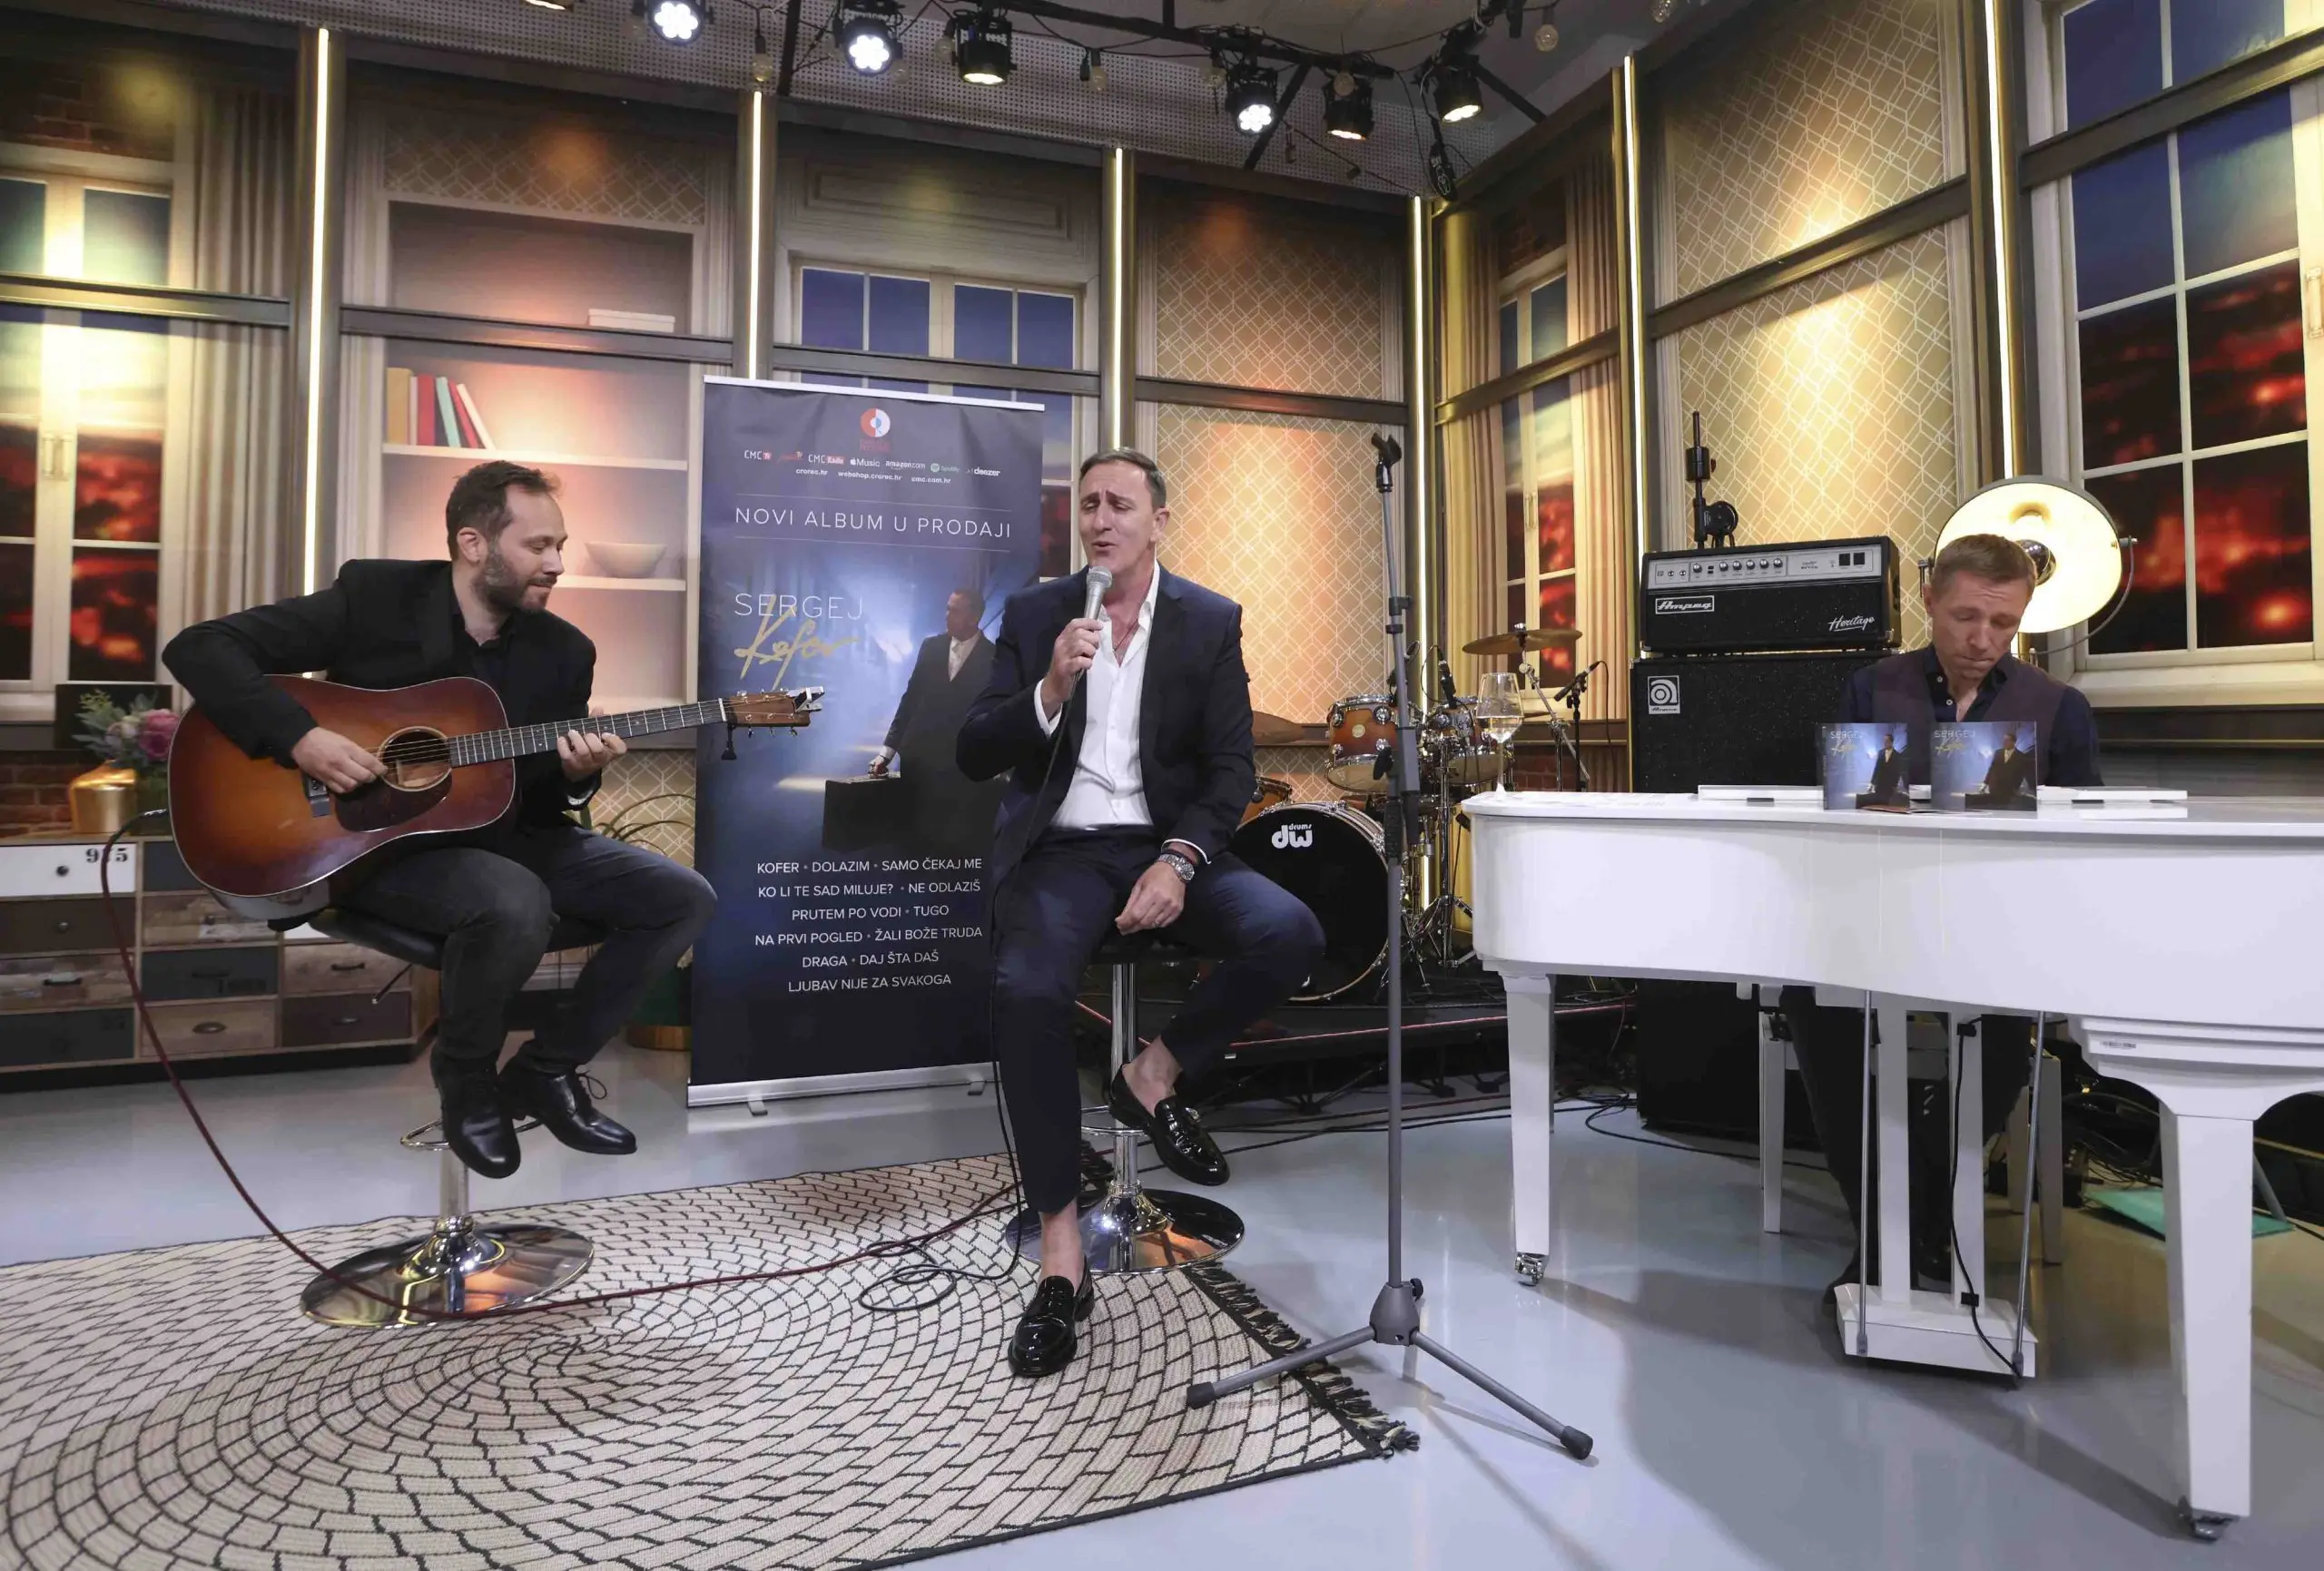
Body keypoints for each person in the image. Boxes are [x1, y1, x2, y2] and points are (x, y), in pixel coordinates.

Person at [164, 461, 715, 1179]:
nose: (556, 564)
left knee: (682, 896)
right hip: (375, 846)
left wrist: (579, 774)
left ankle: (546, 1069)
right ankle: (467, 1078)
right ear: (473, 543)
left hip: (509, 835)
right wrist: (301, 737)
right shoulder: (379, 598)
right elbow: (200, 646)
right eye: (538, 546)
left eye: (559, 545)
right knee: (514, 900)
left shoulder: (565, 650)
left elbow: (539, 795)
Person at [959, 447, 1324, 1380]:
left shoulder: (1209, 620)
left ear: (1159, 521)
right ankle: (1061, 1257)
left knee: (1289, 930)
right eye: (1088, 505)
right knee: (1027, 991)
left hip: (1169, 846)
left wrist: (1180, 858)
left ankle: (1153, 1073)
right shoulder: (1038, 614)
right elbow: (972, 749)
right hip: (1064, 852)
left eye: (1120, 505)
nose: (1100, 520)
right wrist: (1048, 689)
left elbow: (1231, 769)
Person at [1782, 533, 2101, 1310]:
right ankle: (1894, 1224)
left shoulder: (2060, 708)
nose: (1984, 640)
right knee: (1810, 1003)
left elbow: (2087, 845)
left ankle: (1903, 1218)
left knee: (2004, 1038)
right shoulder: (1872, 688)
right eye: (1965, 618)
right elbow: (1845, 829)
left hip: (2000, 935)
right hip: (1880, 920)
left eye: (2004, 623)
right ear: (1929, 600)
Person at [870, 587, 1002, 852]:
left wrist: (997, 760)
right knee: (911, 841)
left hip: (960, 766)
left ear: (974, 617)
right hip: (918, 759)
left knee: (953, 844)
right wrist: (887, 751)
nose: (946, 616)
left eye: (954, 611)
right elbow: (910, 698)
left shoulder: (995, 657)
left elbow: (997, 712)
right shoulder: (931, 647)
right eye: (947, 609)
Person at [1865, 730, 1906, 806]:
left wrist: (1895, 785)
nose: (1885, 743)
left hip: (1889, 785)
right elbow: (1877, 768)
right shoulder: (1880, 752)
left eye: (1887, 741)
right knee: (1878, 803)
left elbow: (1897, 772)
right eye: (1884, 741)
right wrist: (1872, 783)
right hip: (1879, 783)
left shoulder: (1897, 755)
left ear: (1891, 742)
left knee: (1887, 804)